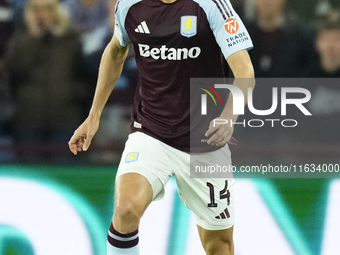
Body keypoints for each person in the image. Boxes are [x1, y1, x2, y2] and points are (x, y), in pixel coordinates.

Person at [69, 0, 254, 254]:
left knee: (218, 244)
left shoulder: (211, 5)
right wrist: (93, 116)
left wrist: (228, 116)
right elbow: (115, 51)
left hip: (205, 140)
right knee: (126, 208)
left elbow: (245, 71)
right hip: (151, 131)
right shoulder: (129, 5)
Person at [7, 0, 86, 161]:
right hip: (29, 116)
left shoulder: (70, 37)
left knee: (64, 170)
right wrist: (33, 37)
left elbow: (83, 73)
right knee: (30, 173)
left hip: (65, 114)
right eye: (37, 9)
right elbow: (15, 71)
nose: (43, 14)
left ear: (57, 10)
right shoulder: (20, 38)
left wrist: (73, 94)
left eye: (48, 8)